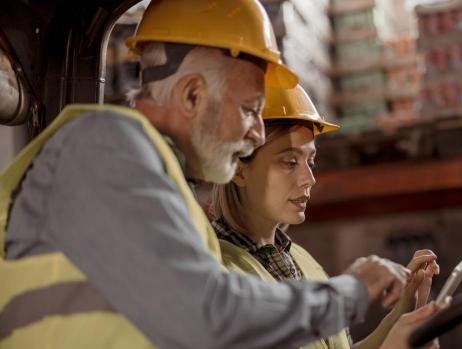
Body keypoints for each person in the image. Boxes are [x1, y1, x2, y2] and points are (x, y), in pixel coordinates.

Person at [0, 1, 412, 348]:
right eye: (250, 109)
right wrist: (351, 291)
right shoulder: (103, 146)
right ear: (192, 95)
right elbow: (206, 315)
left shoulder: (165, 198)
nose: (256, 134)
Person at [210, 84, 442, 349]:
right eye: (289, 162)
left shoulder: (300, 259)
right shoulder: (220, 276)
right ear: (239, 171)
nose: (309, 179)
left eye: (311, 162)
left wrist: (402, 315)